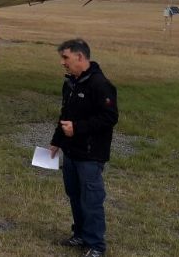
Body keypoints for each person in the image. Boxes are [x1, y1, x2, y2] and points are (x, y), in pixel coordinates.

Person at [49, 39, 118, 257]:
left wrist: (78, 128)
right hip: (71, 152)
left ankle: (96, 245)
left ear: (80, 57)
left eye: (65, 58)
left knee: (91, 200)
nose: (62, 63)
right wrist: (56, 141)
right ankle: (79, 234)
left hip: (90, 154)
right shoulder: (70, 83)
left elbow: (109, 118)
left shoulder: (100, 85)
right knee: (75, 195)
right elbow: (65, 114)